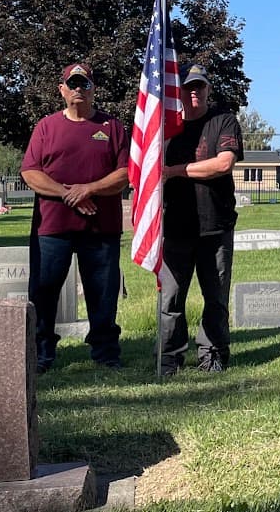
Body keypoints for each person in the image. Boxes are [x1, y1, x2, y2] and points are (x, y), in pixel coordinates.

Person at [21, 62, 131, 372]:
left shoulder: (112, 127)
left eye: (85, 83)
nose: (79, 89)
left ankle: (106, 353)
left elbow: (125, 173)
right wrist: (67, 194)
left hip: (101, 228)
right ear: (62, 90)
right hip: (52, 227)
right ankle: (41, 354)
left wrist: (89, 189)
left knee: (103, 292)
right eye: (73, 84)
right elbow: (30, 173)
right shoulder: (46, 127)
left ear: (94, 89)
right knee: (44, 291)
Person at [157, 64, 244, 375]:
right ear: (178, 91)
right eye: (188, 86)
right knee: (170, 299)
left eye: (199, 86)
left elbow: (223, 164)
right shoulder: (165, 127)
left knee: (215, 298)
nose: (194, 91)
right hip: (175, 227)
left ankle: (212, 355)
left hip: (215, 226)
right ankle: (169, 357)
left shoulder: (223, 120)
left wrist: (174, 171)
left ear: (208, 89)